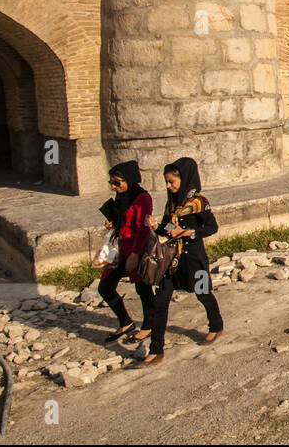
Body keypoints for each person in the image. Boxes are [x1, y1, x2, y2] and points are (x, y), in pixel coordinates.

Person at [135, 157, 223, 367]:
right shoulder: (172, 203)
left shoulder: (199, 202)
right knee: (160, 302)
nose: (168, 186)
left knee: (203, 294)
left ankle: (216, 326)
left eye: (171, 182)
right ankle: (156, 350)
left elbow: (212, 227)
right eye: (166, 182)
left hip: (194, 259)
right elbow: (167, 228)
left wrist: (189, 232)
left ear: (184, 180)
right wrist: (156, 226)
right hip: (172, 262)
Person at [95, 161, 153, 343]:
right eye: (111, 182)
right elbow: (123, 219)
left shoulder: (142, 198)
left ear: (129, 179)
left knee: (143, 289)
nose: (113, 186)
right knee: (105, 286)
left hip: (136, 249)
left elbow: (143, 229)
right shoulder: (122, 197)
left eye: (117, 182)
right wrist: (113, 223)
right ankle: (126, 322)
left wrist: (136, 254)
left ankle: (149, 326)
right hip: (119, 250)